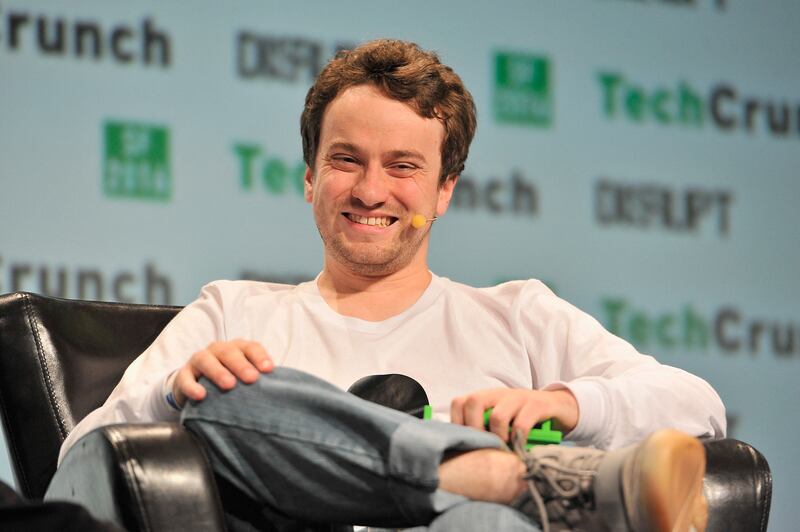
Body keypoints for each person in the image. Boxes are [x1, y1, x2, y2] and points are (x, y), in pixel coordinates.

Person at [59, 39, 725, 531]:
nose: (371, 190)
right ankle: (512, 479)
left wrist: (569, 405)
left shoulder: (518, 314)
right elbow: (79, 465)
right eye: (345, 160)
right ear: (310, 179)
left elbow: (697, 408)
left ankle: (489, 492)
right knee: (225, 395)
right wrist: (174, 396)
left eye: (402, 167)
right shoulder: (235, 311)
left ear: (443, 192)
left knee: (481, 525)